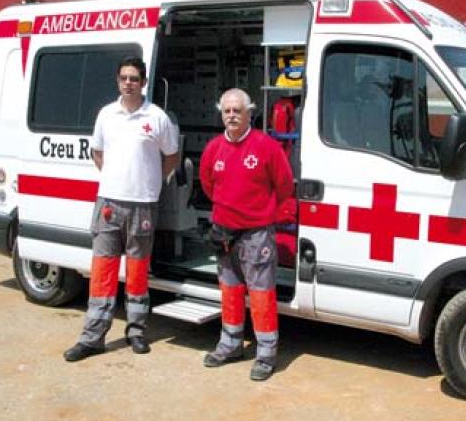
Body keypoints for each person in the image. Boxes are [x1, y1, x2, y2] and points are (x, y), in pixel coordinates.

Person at [64, 57, 179, 362]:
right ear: (118, 81)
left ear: (144, 83)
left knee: (138, 272)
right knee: (102, 273)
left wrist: (151, 183)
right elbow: (98, 153)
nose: (129, 83)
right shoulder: (106, 115)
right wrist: (116, 179)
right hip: (108, 203)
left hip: (143, 205)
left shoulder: (157, 117)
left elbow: (171, 156)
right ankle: (92, 338)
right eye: (124, 78)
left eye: (134, 78)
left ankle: (136, 332)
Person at [199, 88, 294, 381]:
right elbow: (207, 185)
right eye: (226, 111)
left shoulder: (266, 146)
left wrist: (260, 214)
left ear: (248, 113)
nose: (231, 116)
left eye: (237, 111)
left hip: (256, 234)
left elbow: (284, 185)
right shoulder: (213, 148)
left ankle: (266, 354)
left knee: (261, 294)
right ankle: (230, 345)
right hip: (224, 232)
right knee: (230, 291)